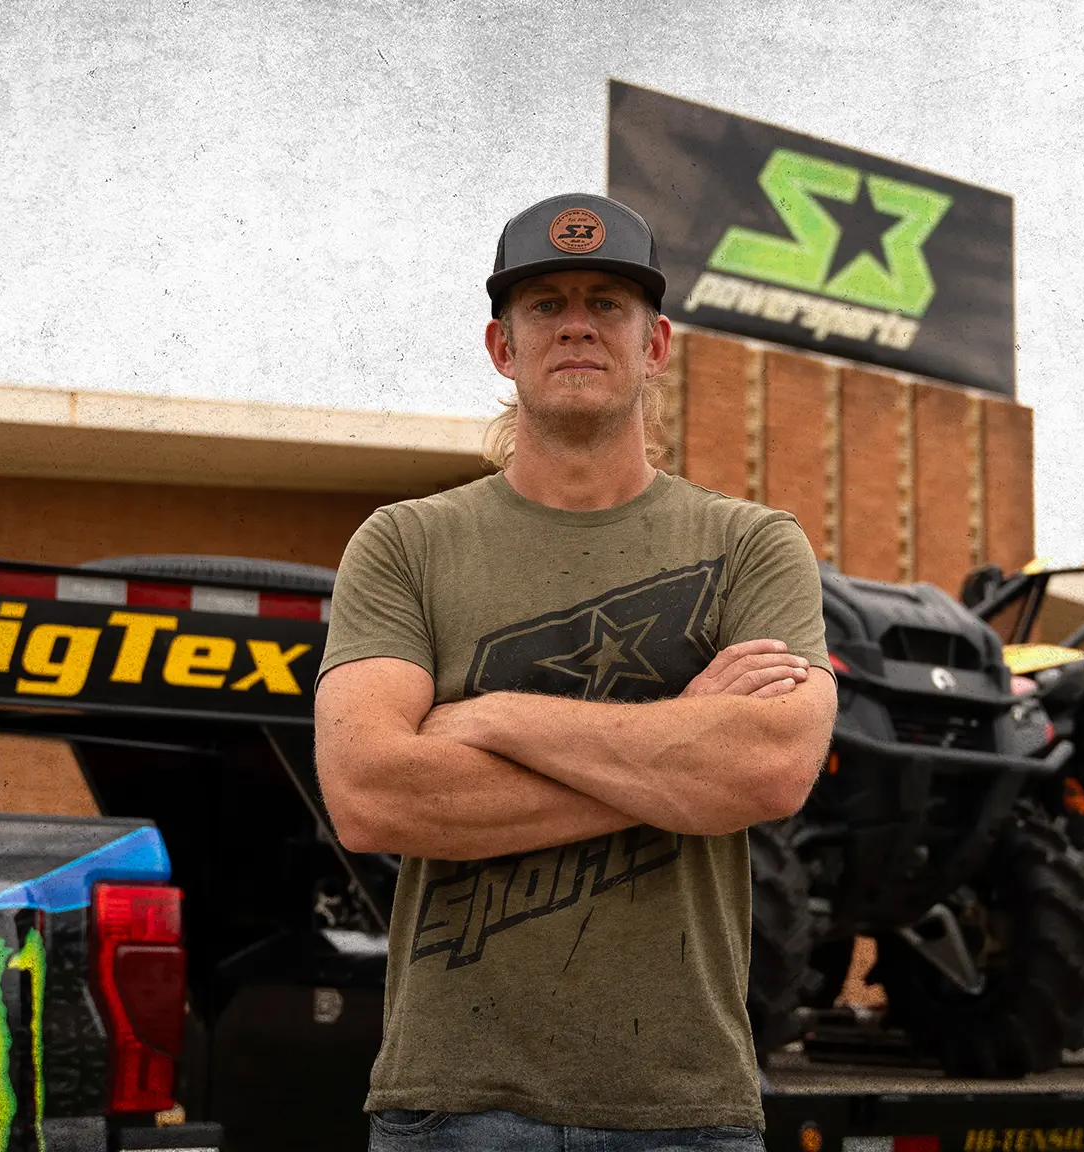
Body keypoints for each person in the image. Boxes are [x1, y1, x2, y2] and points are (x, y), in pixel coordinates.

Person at [313, 192, 838, 1151]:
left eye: (607, 302)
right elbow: (370, 794)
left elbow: (767, 770)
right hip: (452, 1103)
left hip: (681, 1108)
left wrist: (490, 719)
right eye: (547, 305)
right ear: (502, 348)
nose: (578, 325)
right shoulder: (404, 544)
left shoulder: (754, 545)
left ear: (657, 345)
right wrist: (682, 751)